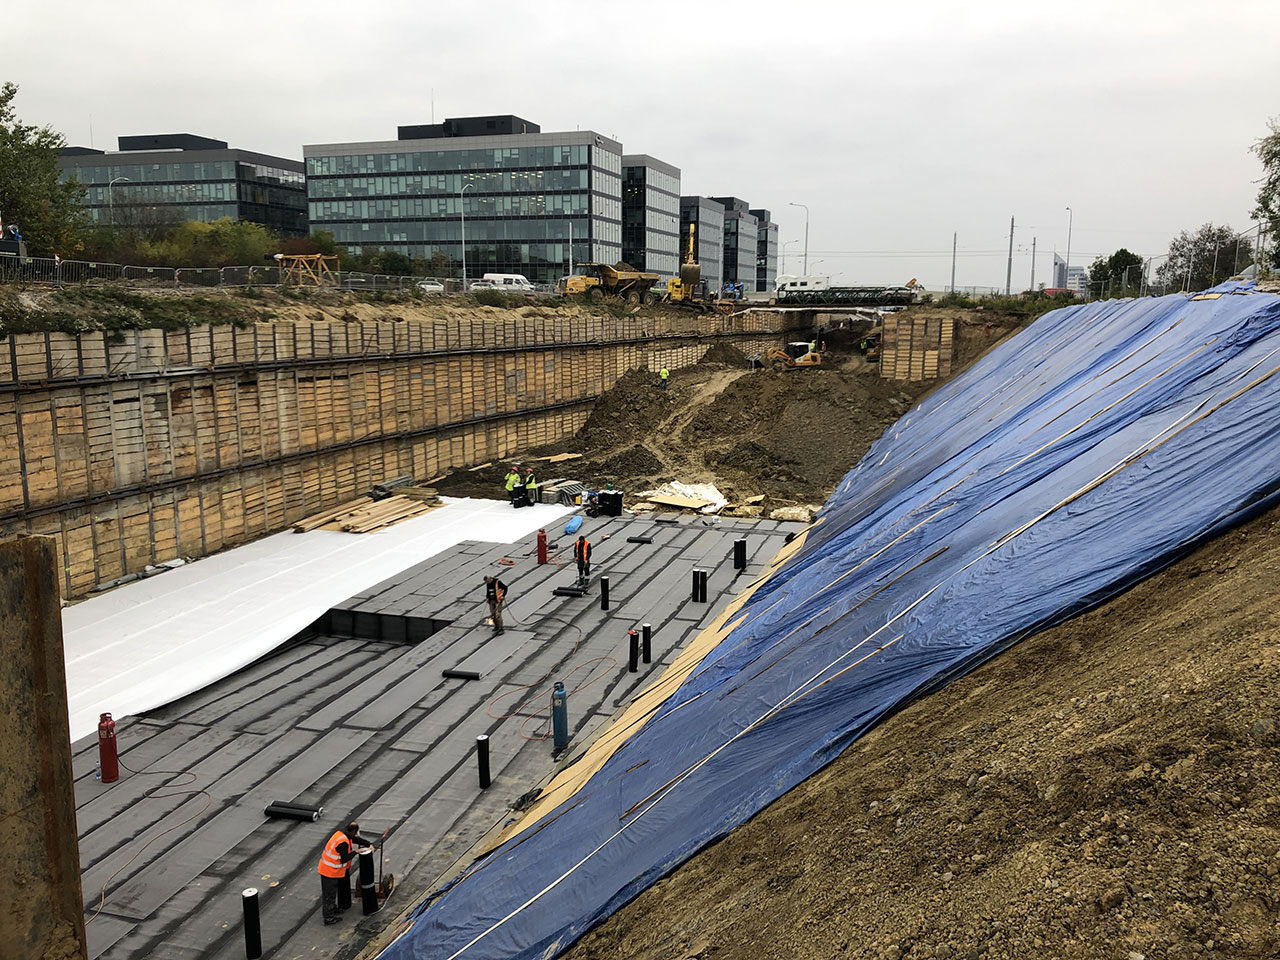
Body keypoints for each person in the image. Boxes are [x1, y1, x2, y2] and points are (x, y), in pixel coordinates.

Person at [317, 820, 374, 925]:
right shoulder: (343, 842)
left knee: (332, 894)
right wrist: (355, 852)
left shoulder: (342, 834)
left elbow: (355, 839)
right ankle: (328, 917)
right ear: (352, 832)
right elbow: (344, 858)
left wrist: (368, 844)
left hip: (333, 870)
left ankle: (333, 909)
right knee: (329, 895)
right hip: (329, 872)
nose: (356, 835)